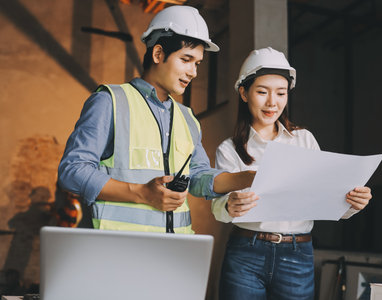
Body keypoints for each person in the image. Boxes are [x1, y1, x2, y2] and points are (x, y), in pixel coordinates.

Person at [58, 5, 254, 234]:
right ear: (158, 54)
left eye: (197, 63)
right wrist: (140, 193)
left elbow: (199, 177)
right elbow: (72, 171)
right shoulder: (109, 101)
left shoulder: (187, 118)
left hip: (175, 251)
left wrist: (249, 178)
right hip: (120, 249)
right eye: (186, 59)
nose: (194, 72)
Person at [211, 47, 373, 300]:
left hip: (297, 254)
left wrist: (353, 204)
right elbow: (217, 207)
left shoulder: (304, 140)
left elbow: (326, 197)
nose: (272, 102)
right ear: (243, 92)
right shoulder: (229, 149)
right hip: (245, 253)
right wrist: (228, 206)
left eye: (281, 93)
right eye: (262, 92)